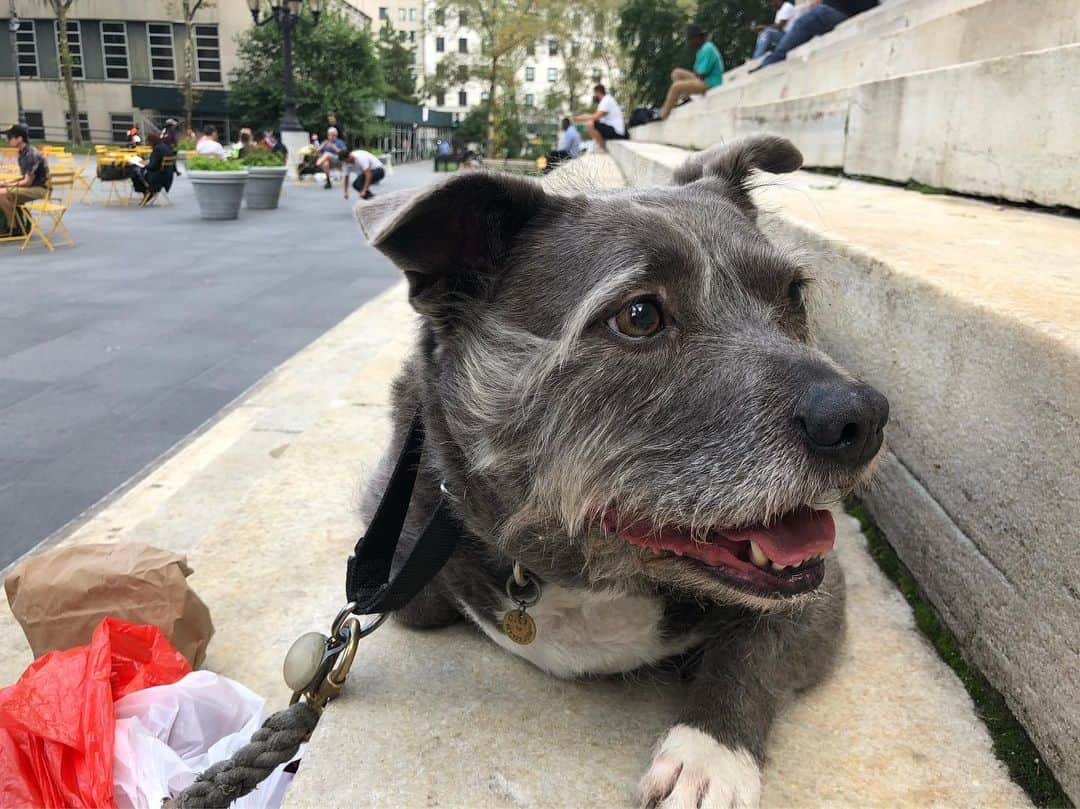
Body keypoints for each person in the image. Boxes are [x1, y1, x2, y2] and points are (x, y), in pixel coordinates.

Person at [758, 0, 878, 68]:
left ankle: (774, 58)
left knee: (811, 16)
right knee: (810, 16)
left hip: (841, 12)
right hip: (834, 11)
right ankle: (773, 57)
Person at [660, 26, 724, 120]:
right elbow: (697, 72)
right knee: (676, 73)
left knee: (676, 87)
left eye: (690, 39)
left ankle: (663, 116)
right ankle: (685, 98)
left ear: (697, 38)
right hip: (703, 79)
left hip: (710, 83)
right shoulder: (700, 50)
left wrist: (693, 77)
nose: (689, 43)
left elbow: (701, 74)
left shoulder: (707, 49)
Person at [0, 125, 48, 235]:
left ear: (19, 139)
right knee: (3, 192)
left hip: (38, 189)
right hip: (32, 186)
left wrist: (6, 186)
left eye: (10, 137)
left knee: (1, 194)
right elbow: (24, 178)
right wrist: (6, 183)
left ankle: (14, 227)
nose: (7, 140)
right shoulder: (23, 153)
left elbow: (27, 182)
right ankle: (16, 225)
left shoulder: (30, 154)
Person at [574, 84, 626, 152]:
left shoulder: (606, 100)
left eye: (594, 93)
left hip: (617, 132)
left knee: (589, 124)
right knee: (591, 122)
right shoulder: (606, 100)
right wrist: (583, 116)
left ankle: (604, 149)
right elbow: (596, 117)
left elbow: (595, 117)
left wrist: (580, 118)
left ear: (598, 92)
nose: (594, 96)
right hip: (615, 131)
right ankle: (600, 146)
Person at [131, 132, 176, 201]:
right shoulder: (164, 146)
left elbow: (152, 167)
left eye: (148, 142)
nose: (148, 145)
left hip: (158, 177)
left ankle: (146, 191)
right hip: (167, 175)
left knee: (135, 171)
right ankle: (148, 192)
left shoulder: (157, 149)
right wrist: (148, 162)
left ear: (151, 142)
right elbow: (157, 161)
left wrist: (143, 164)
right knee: (138, 170)